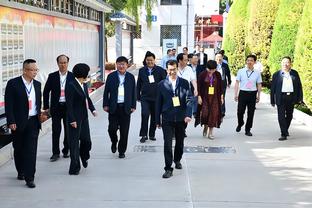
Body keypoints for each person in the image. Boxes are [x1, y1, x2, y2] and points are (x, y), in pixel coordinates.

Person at [5, 59, 47, 188]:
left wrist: (41, 115)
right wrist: (11, 121)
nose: (35, 72)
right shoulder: (13, 84)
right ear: (24, 70)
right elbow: (9, 104)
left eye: (36, 70)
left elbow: (37, 103)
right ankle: (21, 171)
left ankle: (30, 178)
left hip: (33, 121)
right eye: (32, 70)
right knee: (18, 148)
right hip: (18, 122)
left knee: (31, 150)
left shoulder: (38, 84)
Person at [155, 60, 192, 179]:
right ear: (167, 70)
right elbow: (158, 104)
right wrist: (157, 120)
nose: (172, 71)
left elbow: (189, 99)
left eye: (174, 69)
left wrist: (188, 114)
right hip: (167, 118)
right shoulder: (161, 84)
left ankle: (177, 159)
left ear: (177, 68)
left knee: (180, 142)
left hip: (181, 118)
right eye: (170, 69)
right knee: (167, 143)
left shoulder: (184, 83)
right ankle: (168, 168)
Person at [65, 63, 97, 175]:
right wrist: (72, 119)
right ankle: (74, 167)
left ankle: (84, 156)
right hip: (74, 119)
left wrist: (92, 110)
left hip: (84, 118)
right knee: (74, 144)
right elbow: (68, 104)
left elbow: (87, 98)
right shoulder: (71, 85)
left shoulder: (84, 84)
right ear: (83, 73)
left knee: (87, 141)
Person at [103, 56, 136, 158]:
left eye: (123, 64)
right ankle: (114, 141)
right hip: (113, 107)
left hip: (126, 108)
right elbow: (106, 92)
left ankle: (122, 151)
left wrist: (133, 105)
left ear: (127, 65)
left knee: (124, 131)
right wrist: (105, 104)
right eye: (119, 64)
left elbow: (133, 92)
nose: (121, 66)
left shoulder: (130, 77)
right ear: (116, 65)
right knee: (111, 129)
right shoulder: (111, 76)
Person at [43, 54, 75, 162]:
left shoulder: (72, 76)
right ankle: (55, 153)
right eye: (61, 63)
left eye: (65, 62)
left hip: (68, 107)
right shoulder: (52, 76)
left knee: (68, 130)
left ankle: (66, 150)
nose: (63, 65)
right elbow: (46, 91)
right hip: (56, 108)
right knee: (56, 131)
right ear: (57, 63)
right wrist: (46, 107)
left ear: (68, 63)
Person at [270, 56, 303, 141]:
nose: (285, 64)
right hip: (281, 97)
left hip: (291, 97)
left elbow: (299, 86)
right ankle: (283, 134)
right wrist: (272, 100)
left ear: (290, 64)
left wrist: (300, 98)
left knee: (289, 116)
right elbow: (273, 88)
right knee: (281, 116)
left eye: (287, 62)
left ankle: (285, 129)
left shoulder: (295, 73)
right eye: (284, 62)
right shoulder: (276, 74)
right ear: (281, 63)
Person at [137, 51, 167, 143]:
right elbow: (138, 84)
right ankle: (143, 134)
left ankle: (151, 134)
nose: (150, 62)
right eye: (148, 60)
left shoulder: (160, 70)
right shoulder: (142, 70)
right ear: (145, 60)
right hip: (145, 97)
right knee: (145, 114)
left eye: (151, 60)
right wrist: (137, 95)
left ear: (155, 60)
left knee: (154, 117)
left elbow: (165, 84)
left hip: (156, 98)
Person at [234, 54, 262, 136]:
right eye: (248, 60)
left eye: (251, 60)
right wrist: (236, 94)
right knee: (240, 111)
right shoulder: (241, 71)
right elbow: (237, 83)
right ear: (246, 61)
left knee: (251, 113)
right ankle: (240, 123)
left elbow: (259, 84)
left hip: (252, 94)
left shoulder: (257, 73)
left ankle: (248, 129)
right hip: (242, 93)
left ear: (254, 62)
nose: (249, 62)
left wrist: (259, 95)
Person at [196, 60, 223, 139]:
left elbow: (221, 86)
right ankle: (205, 126)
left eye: (213, 69)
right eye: (210, 69)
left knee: (213, 114)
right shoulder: (202, 74)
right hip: (205, 98)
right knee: (205, 114)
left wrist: (221, 96)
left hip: (215, 97)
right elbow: (199, 86)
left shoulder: (217, 74)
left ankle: (210, 132)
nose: (211, 71)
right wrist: (199, 96)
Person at [177, 53, 198, 137]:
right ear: (180, 61)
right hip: (176, 92)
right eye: (185, 60)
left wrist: (196, 89)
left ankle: (183, 129)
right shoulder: (174, 68)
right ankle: (176, 130)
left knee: (186, 112)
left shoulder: (189, 69)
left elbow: (193, 80)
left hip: (187, 92)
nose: (187, 61)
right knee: (177, 112)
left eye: (187, 60)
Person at [215, 52, 231, 117]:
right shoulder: (213, 65)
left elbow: (228, 74)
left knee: (222, 97)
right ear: (215, 58)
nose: (219, 59)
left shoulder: (225, 65)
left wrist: (229, 81)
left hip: (223, 83)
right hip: (214, 83)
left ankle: (222, 112)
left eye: (220, 57)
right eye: (217, 58)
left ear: (222, 58)